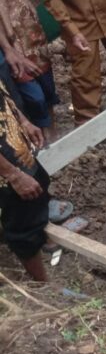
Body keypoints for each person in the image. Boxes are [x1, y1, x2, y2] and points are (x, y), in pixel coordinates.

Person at [0, 0, 59, 143]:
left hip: (33, 38)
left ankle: (53, 135)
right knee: (31, 97)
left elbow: (31, 0)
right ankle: (38, 138)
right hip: (10, 49)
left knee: (48, 90)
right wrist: (10, 49)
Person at [0, 80, 49, 282]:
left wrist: (24, 121)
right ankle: (42, 284)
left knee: (39, 183)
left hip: (10, 139)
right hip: (6, 166)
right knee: (23, 215)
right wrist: (13, 174)